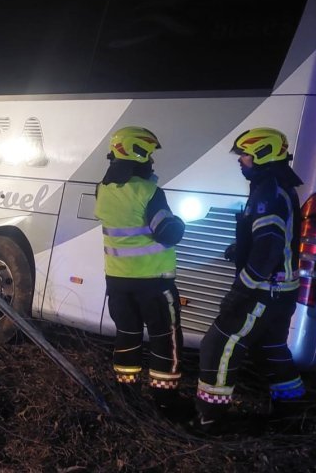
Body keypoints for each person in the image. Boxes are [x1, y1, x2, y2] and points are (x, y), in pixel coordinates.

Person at [194, 127, 307, 433]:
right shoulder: (276, 186)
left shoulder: (268, 192)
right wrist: (240, 247)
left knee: (217, 345)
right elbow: (270, 239)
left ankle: (210, 420)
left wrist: (240, 292)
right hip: (281, 292)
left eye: (244, 154)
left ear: (261, 154)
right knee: (270, 350)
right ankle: (293, 413)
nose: (241, 160)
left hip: (264, 291)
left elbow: (267, 251)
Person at [94, 126, 188, 418]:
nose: (151, 162)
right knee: (165, 338)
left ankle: (126, 395)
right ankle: (165, 402)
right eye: (148, 155)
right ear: (137, 154)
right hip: (154, 284)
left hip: (119, 283)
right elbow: (167, 232)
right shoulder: (150, 192)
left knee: (127, 336)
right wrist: (180, 222)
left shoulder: (103, 189)